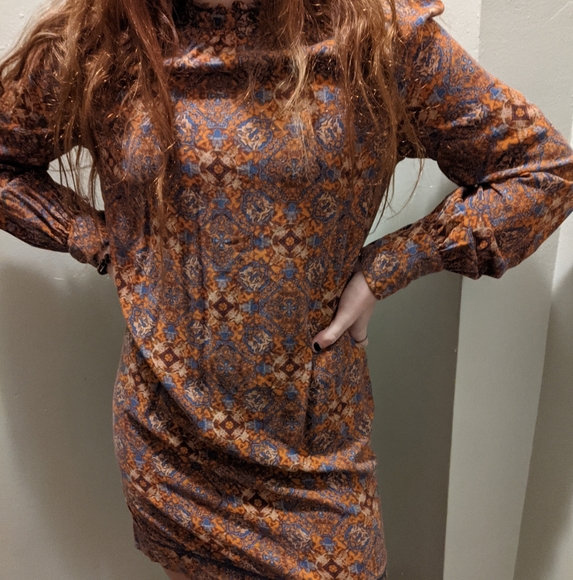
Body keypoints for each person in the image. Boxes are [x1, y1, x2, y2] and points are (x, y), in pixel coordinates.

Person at [1, 0, 572, 578]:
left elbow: (543, 170)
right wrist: (103, 241)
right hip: (168, 438)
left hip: (315, 450)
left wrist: (391, 265)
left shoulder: (377, 38)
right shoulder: (105, 34)